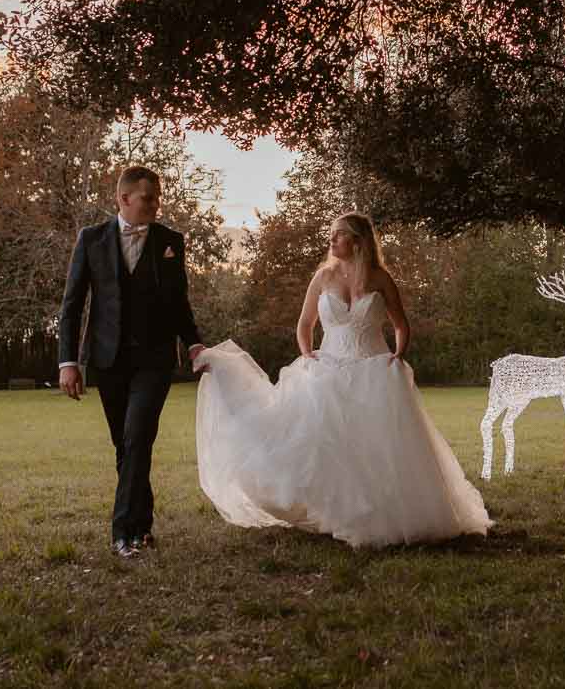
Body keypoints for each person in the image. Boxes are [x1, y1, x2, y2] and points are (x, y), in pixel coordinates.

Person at [194, 212, 491, 547]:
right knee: (325, 445)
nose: (332, 240)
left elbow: (400, 324)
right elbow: (304, 325)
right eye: (332, 235)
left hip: (374, 371)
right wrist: (308, 355)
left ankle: (380, 513)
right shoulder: (323, 277)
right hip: (328, 370)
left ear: (358, 241)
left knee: (378, 447)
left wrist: (398, 353)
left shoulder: (380, 278)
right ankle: (337, 511)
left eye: (338, 235)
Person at [57, 166, 206, 558]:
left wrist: (194, 345)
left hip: (154, 361)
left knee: (138, 437)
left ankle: (123, 533)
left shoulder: (170, 241)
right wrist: (67, 362)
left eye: (157, 198)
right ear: (124, 199)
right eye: (148, 198)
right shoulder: (91, 240)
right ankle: (142, 525)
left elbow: (179, 303)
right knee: (125, 448)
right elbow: (72, 305)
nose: (156, 205)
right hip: (108, 360)